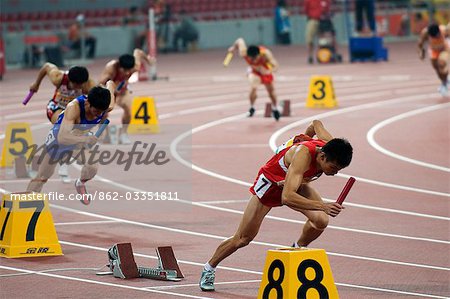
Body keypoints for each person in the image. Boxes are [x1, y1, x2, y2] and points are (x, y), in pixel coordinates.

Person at [199, 120, 353, 292]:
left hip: (295, 184)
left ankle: (297, 247)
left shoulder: (329, 144)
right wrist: (322, 205)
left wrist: (303, 138)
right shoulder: (302, 156)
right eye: (332, 168)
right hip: (270, 186)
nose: (334, 173)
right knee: (243, 238)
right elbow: (287, 197)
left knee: (320, 221)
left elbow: (316, 123)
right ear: (322, 156)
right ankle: (209, 267)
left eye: (339, 170)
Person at [26, 81, 116, 205]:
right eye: (96, 111)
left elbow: (111, 84)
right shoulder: (73, 108)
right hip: (59, 139)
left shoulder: (107, 104)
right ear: (88, 102)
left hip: (79, 139)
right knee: (42, 176)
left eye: (102, 112)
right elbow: (63, 138)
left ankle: (80, 183)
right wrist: (86, 139)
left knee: (92, 167)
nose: (99, 114)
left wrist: (108, 83)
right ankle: (26, 205)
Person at [29, 63, 96, 183]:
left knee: (73, 134)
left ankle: (62, 161)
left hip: (75, 112)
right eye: (76, 85)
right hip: (56, 107)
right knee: (65, 130)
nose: (79, 87)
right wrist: (36, 84)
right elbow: (46, 66)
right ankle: (60, 164)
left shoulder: (89, 85)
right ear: (70, 80)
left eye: (81, 84)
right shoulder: (58, 78)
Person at [99, 48, 155, 144]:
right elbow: (101, 84)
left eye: (129, 70)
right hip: (109, 91)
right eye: (124, 70)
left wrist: (148, 60)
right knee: (103, 114)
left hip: (123, 92)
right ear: (119, 66)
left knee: (129, 109)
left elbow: (138, 52)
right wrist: (112, 88)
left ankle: (123, 134)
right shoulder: (111, 68)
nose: (127, 73)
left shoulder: (135, 66)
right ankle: (105, 134)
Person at [226, 37, 281, 121]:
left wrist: (269, 71)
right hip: (254, 71)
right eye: (251, 59)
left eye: (255, 59)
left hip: (265, 70)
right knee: (253, 87)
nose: (253, 60)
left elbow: (276, 66)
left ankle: (275, 108)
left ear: (258, 55)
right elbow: (239, 40)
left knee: (271, 92)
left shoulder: (266, 54)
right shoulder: (243, 52)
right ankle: (252, 107)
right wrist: (233, 47)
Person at [417, 23, 450, 97]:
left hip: (444, 48)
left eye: (438, 35)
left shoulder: (444, 29)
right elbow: (420, 44)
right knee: (437, 69)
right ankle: (444, 82)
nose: (437, 37)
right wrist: (421, 53)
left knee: (441, 64)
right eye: (434, 36)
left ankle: (446, 78)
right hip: (434, 50)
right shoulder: (424, 33)